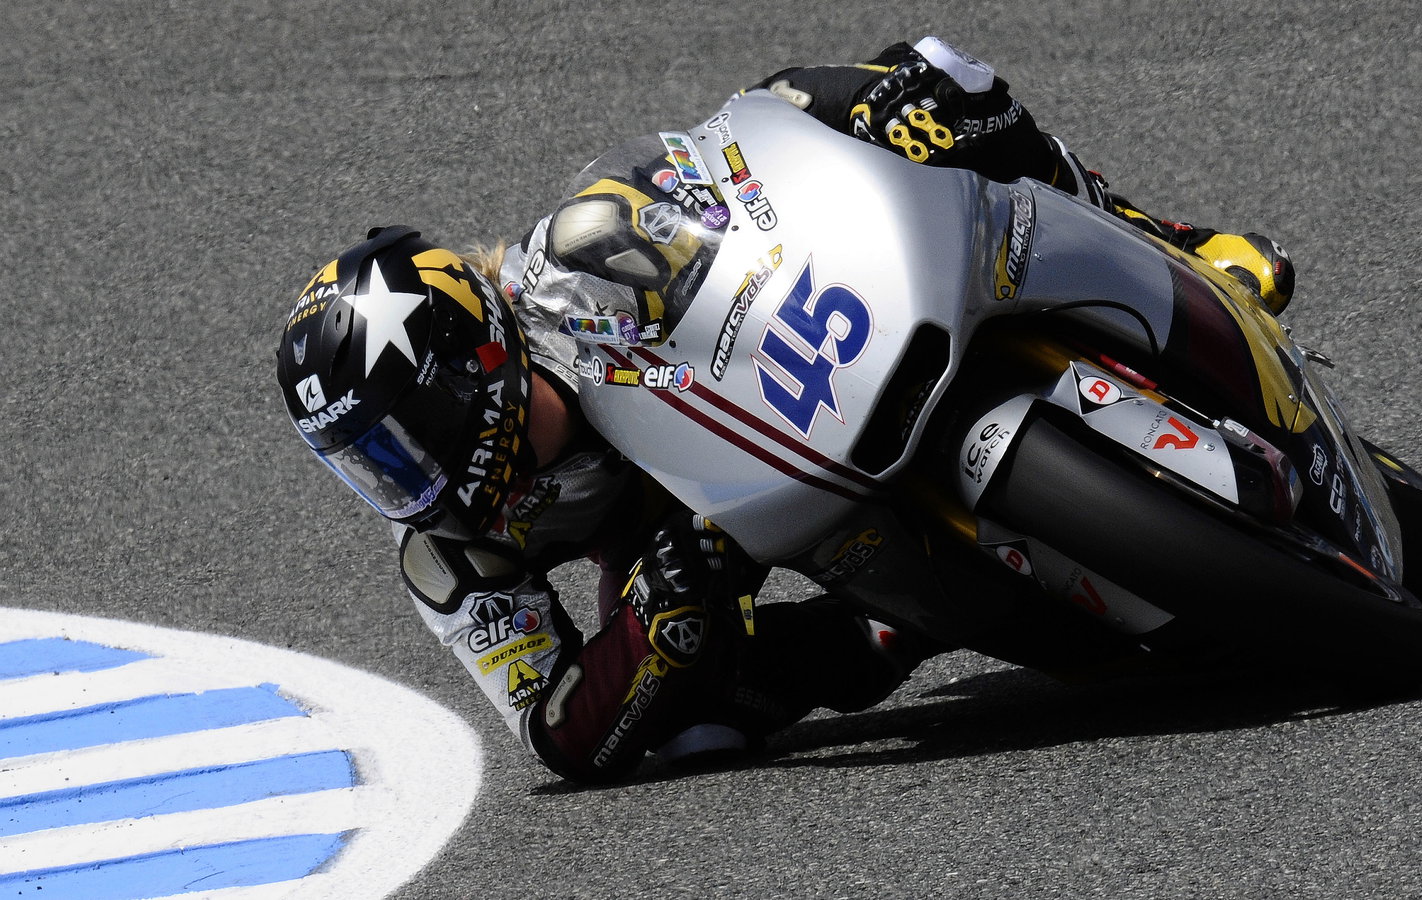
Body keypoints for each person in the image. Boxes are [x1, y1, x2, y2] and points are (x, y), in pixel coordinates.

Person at [275, 37, 1294, 783]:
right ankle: (896, 629)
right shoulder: (451, 557)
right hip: (700, 540)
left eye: (402, 441)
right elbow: (554, 733)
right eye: (366, 465)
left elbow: (744, 172)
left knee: (900, 91)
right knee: (696, 724)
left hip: (780, 374)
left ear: (470, 364)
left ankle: (1164, 238)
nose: (405, 483)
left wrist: (863, 123)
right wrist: (646, 623)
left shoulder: (580, 255)